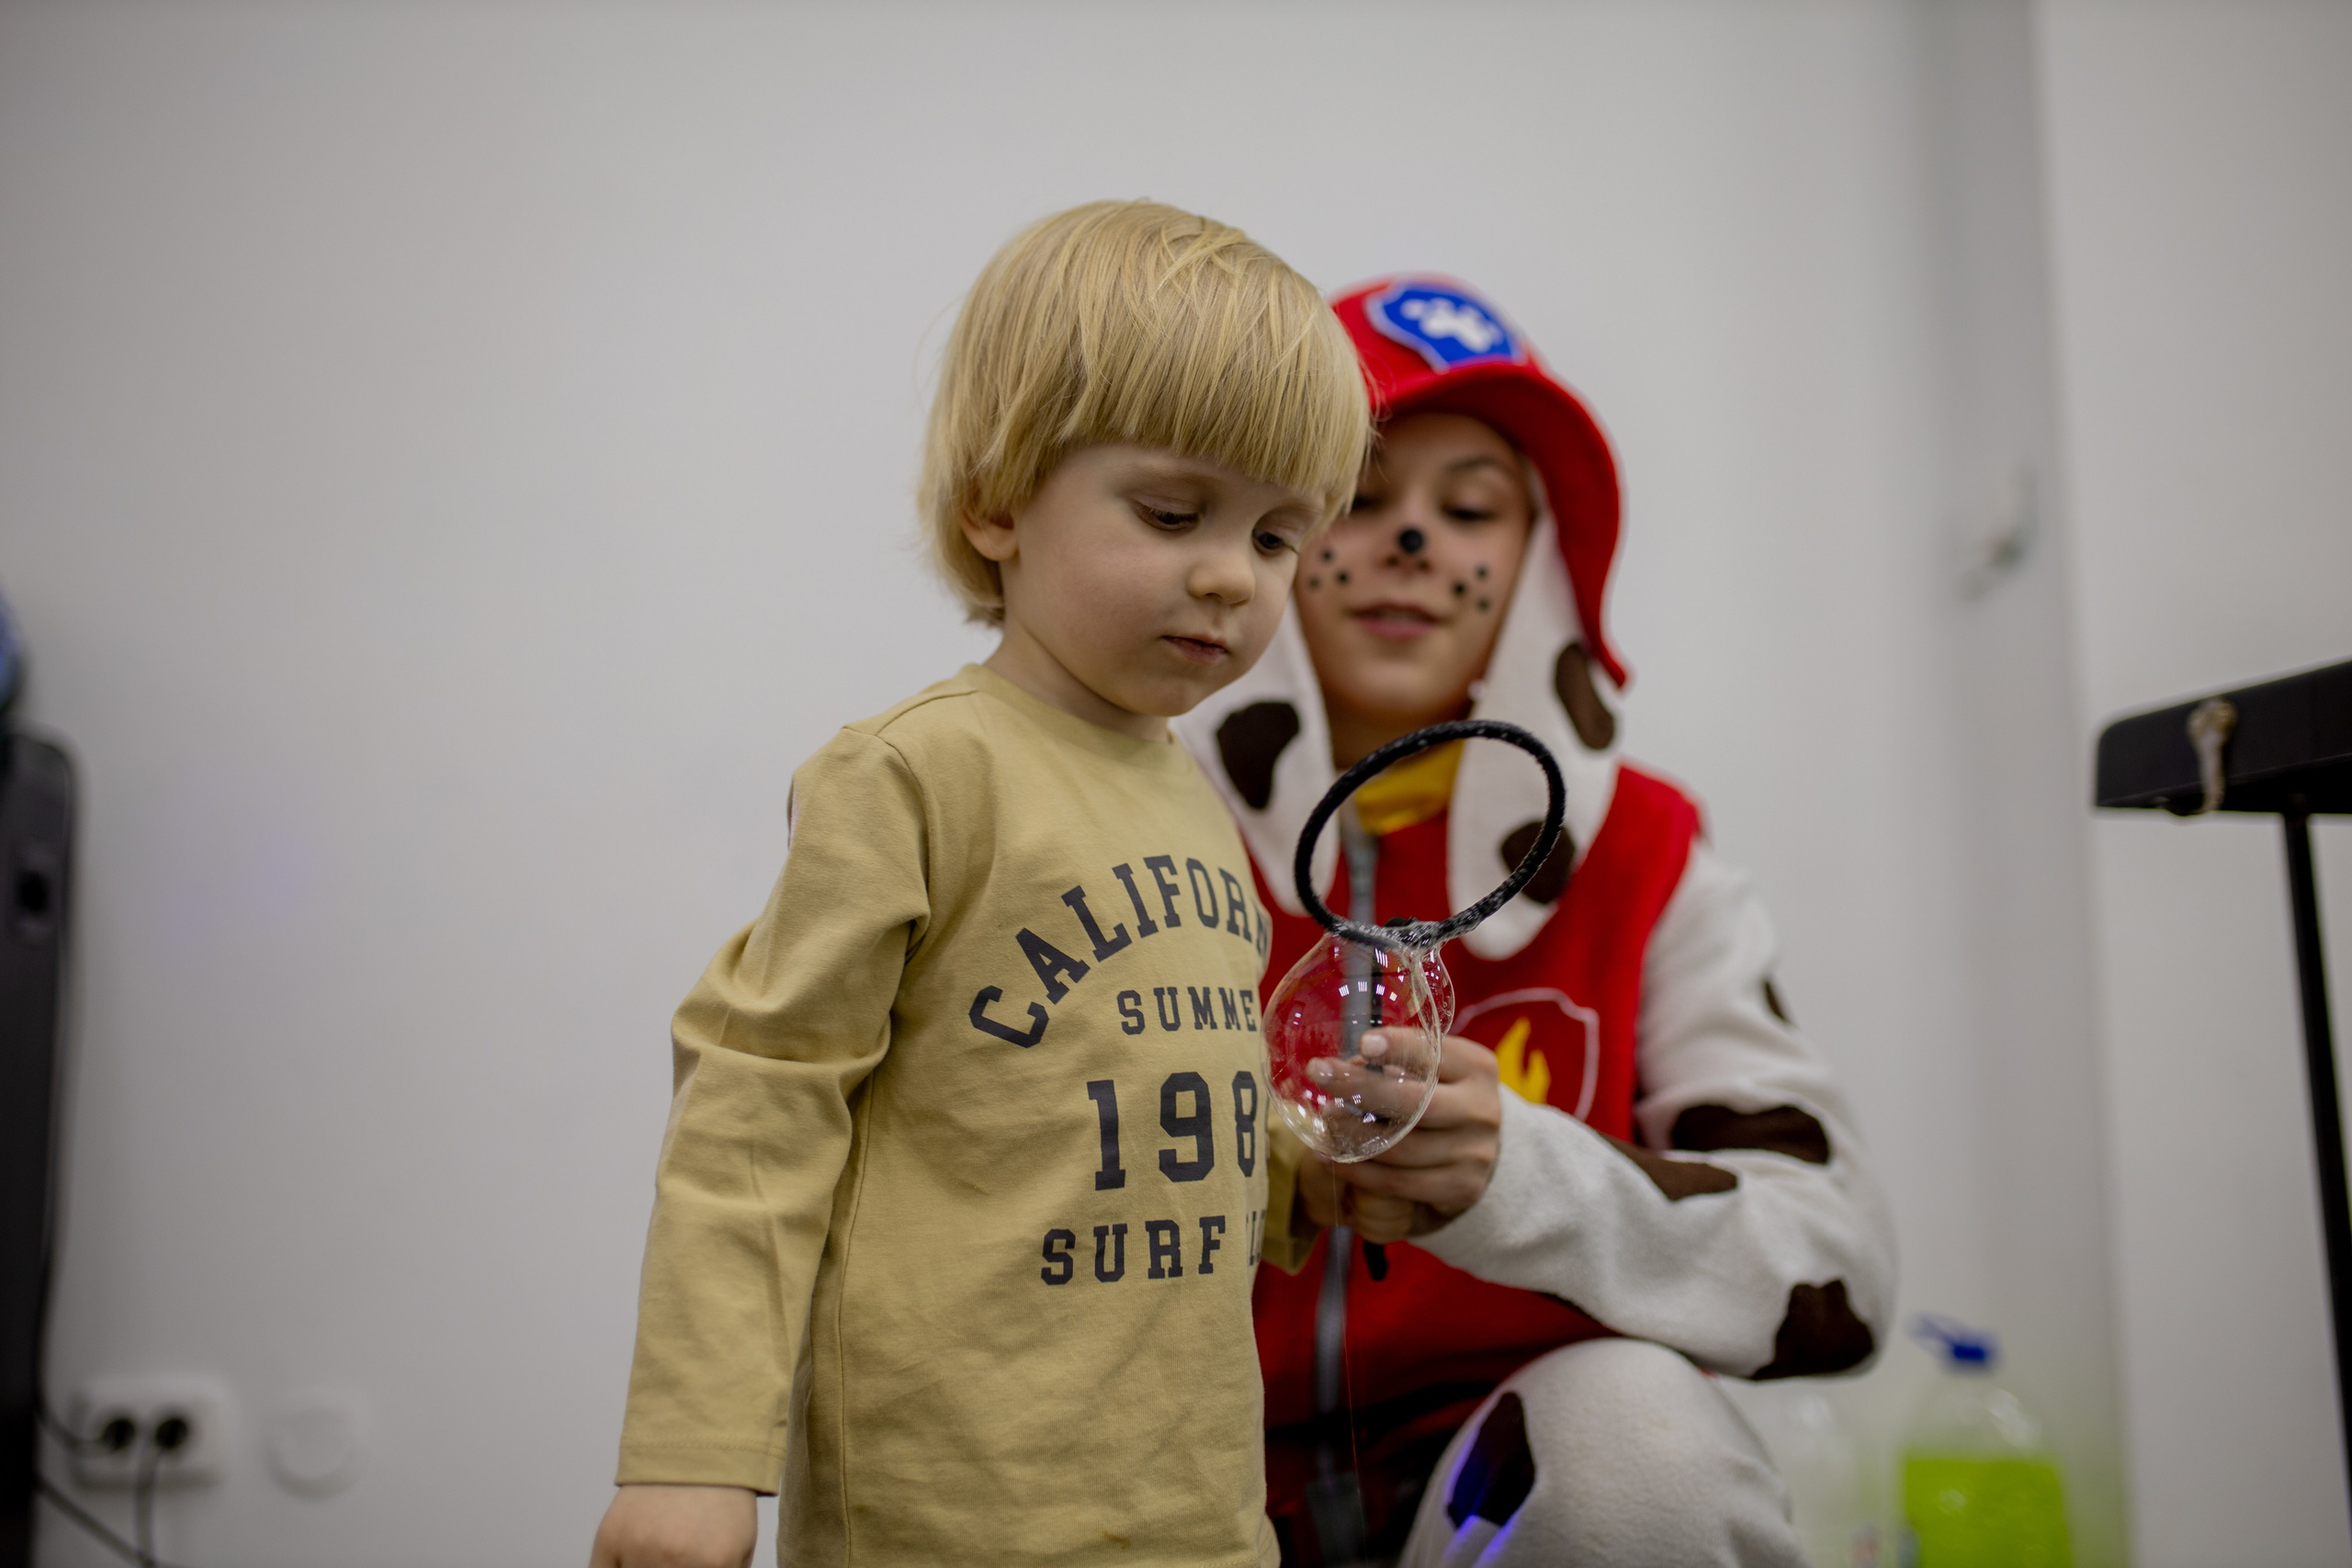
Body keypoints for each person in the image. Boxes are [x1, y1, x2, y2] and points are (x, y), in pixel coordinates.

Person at [587, 200, 1370, 1568]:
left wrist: (1319, 1169)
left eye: (1276, 537)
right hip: (955, 1519)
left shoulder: (1198, 804)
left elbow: (1124, 1111)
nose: (1227, 578)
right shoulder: (916, 776)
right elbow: (756, 1109)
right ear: (997, 502)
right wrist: (692, 1458)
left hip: (1194, 1515)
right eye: (1174, 510)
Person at [1176, 276, 1897, 1568]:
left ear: (1535, 565)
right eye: (1361, 495)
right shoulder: (1122, 823)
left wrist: (1522, 1179)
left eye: (1469, 511)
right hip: (1174, 1497)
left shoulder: (1644, 855)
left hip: (1497, 1493)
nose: (1412, 546)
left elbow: (1832, 1270)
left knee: (1643, 1444)